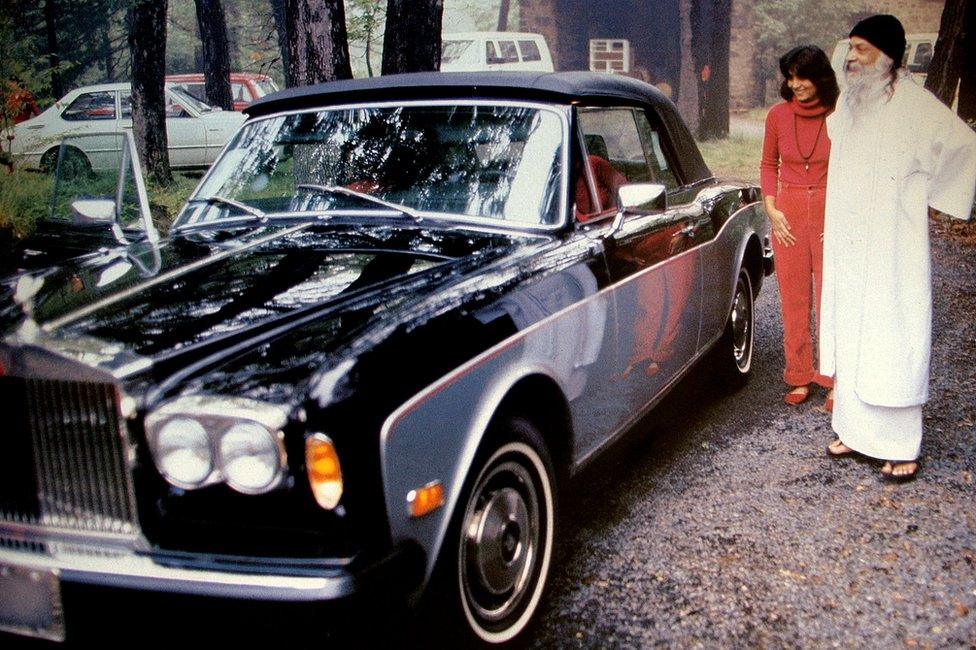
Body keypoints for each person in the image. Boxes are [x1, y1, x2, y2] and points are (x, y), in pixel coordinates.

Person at [820, 15, 976, 480]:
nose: (851, 57)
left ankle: (900, 444)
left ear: (888, 57)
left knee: (892, 331)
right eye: (850, 47)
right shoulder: (851, 105)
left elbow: (963, 147)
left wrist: (930, 194)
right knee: (851, 327)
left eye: (862, 49)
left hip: (892, 246)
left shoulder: (915, 106)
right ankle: (851, 427)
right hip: (849, 241)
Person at [760, 46, 839, 408]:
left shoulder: (839, 115)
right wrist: (771, 208)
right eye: (790, 77)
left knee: (831, 297)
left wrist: (840, 215)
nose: (795, 84)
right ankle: (800, 375)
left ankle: (834, 376)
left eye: (802, 76)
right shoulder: (777, 115)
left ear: (820, 77)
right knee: (793, 297)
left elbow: (850, 168)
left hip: (828, 207)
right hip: (788, 211)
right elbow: (767, 164)